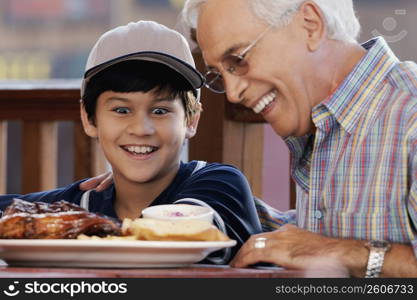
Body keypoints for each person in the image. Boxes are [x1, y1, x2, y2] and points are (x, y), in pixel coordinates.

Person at [180, 0, 417, 277]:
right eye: (219, 75)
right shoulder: (325, 123)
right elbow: (321, 236)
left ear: (310, 25)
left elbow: (324, 246)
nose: (233, 94)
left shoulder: (410, 117)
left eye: (238, 60)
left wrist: (343, 251)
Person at [0, 20, 262, 264]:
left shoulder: (220, 184)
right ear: (89, 118)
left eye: (160, 111)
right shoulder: (84, 205)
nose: (141, 129)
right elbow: (14, 211)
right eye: (121, 110)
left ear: (191, 120)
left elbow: (181, 233)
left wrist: (75, 226)